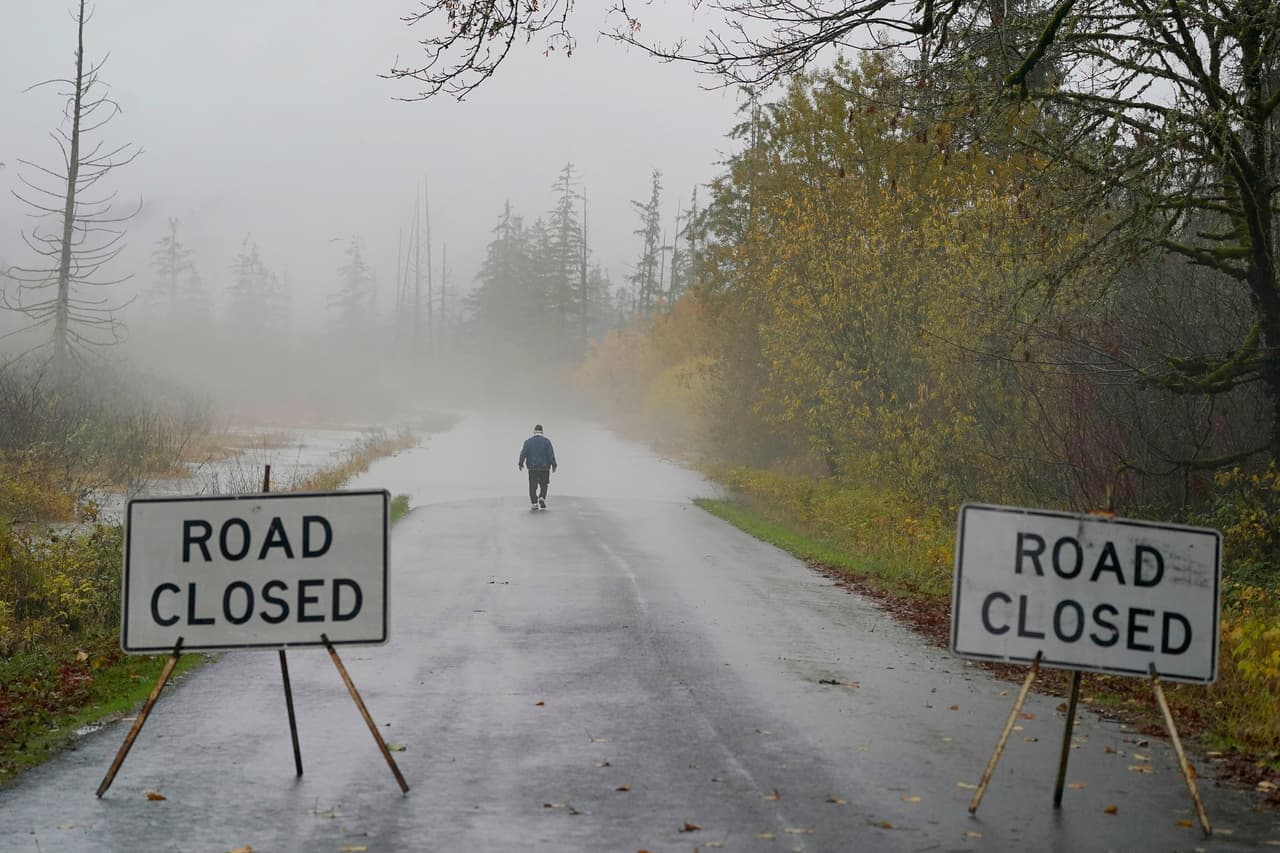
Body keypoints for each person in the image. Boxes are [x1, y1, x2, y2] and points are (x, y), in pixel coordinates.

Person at [518, 424, 557, 509]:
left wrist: (521, 463)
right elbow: (551, 454)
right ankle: (542, 497)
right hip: (544, 468)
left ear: (534, 431)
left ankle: (534, 503)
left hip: (532, 468)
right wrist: (554, 464)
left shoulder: (528, 442)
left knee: (532, 485)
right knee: (544, 484)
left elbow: (523, 453)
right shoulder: (547, 442)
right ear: (542, 432)